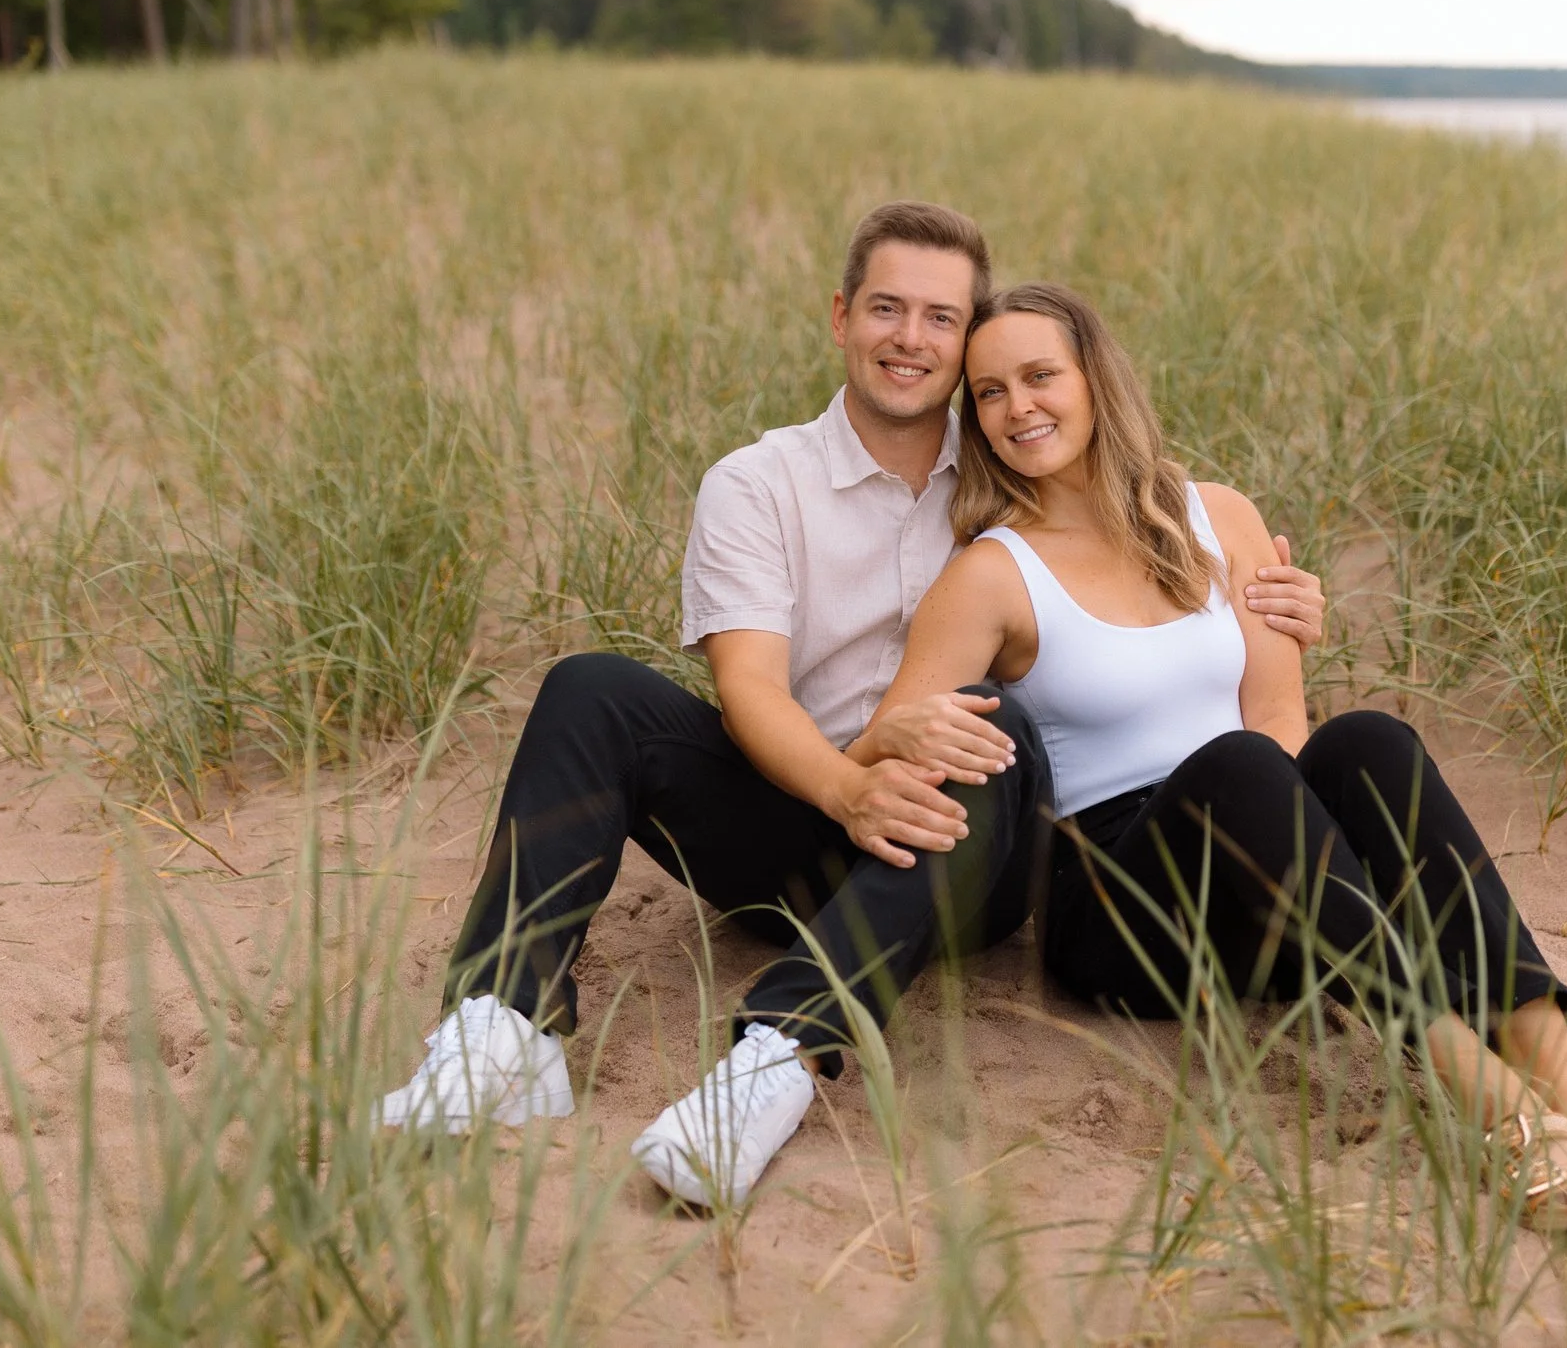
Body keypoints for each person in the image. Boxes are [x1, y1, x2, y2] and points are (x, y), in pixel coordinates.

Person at [374, 202, 1331, 1213]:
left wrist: (1277, 598)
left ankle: (777, 1058)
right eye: (885, 308)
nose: (909, 338)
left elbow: (1149, 575)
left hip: (971, 844)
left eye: (939, 318)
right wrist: (849, 785)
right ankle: (504, 1022)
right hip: (800, 815)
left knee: (979, 721)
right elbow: (747, 693)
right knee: (591, 688)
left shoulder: (1022, 469)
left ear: (967, 342)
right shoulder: (758, 482)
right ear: (840, 316)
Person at [859, 281, 1567, 1231]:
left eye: (1040, 376)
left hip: (1259, 876)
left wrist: (1328, 866)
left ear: (1095, 380)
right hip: (1119, 913)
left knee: (1368, 739)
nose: (1018, 407)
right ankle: (1491, 1100)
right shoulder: (993, 569)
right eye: (987, 392)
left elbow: (1279, 719)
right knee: (1237, 766)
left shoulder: (1216, 516)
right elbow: (888, 744)